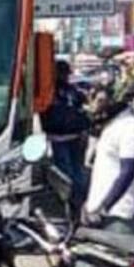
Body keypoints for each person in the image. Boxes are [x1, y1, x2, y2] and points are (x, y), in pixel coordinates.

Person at [83, 77, 134, 236]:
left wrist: (105, 207)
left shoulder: (131, 128)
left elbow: (128, 172)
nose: (95, 106)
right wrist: (91, 203)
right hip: (101, 211)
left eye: (101, 101)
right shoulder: (111, 127)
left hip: (122, 213)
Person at [39, 60, 90, 211]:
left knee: (65, 172)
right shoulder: (73, 91)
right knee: (77, 169)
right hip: (75, 134)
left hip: (59, 136)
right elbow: (82, 109)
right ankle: (78, 200)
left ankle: (68, 201)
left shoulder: (49, 91)